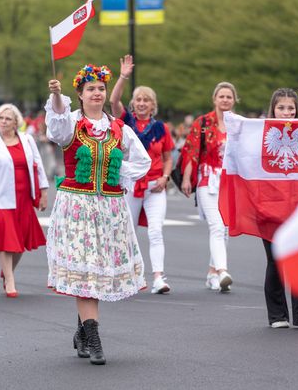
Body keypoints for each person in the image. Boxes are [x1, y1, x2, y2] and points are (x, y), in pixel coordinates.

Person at [46, 65, 151, 365]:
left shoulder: (119, 128)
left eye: (100, 89)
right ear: (79, 94)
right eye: (90, 89)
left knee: (96, 271)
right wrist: (56, 96)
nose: (96, 93)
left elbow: (142, 161)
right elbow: (56, 126)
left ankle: (82, 330)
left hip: (109, 209)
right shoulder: (71, 125)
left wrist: (118, 174)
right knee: (86, 269)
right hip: (76, 207)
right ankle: (93, 337)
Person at [109, 55, 175, 294]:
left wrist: (165, 177)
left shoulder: (161, 128)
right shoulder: (125, 122)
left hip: (155, 186)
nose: (142, 103)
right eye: (138, 99)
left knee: (156, 230)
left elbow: (168, 158)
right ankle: (127, 275)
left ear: (153, 104)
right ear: (133, 103)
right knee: (128, 232)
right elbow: (113, 100)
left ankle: (158, 277)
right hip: (130, 183)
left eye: (146, 100)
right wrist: (123, 76)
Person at [0, 104, 48, 297]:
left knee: (21, 242)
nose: (3, 122)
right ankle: (10, 280)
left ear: (16, 122)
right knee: (6, 242)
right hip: (0, 200)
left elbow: (37, 166)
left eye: (8, 118)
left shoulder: (28, 140)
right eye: (0, 118)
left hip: (24, 198)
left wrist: (43, 192)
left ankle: (7, 272)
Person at [180, 82, 238, 292]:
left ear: (234, 100)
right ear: (214, 99)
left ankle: (213, 273)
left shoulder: (238, 124)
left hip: (229, 181)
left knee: (226, 229)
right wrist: (187, 178)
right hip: (207, 179)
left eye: (229, 97)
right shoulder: (203, 122)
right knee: (217, 226)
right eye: (221, 96)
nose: (225, 100)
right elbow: (191, 151)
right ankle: (223, 271)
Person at [260, 88, 298, 328]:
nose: (287, 113)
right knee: (275, 259)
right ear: (273, 109)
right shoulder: (258, 134)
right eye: (281, 108)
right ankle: (277, 315)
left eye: (291, 108)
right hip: (270, 205)